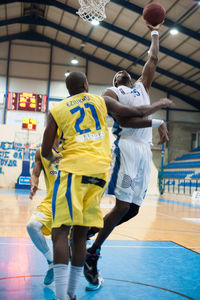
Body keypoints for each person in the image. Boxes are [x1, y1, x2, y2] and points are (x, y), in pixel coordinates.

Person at [41, 71, 173, 300]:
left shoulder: (58, 109)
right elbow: (131, 113)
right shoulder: (101, 99)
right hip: (100, 171)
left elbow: (45, 151)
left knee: (61, 231)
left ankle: (63, 295)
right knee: (83, 231)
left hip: (75, 169)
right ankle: (75, 285)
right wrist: (159, 107)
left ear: (68, 89)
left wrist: (56, 159)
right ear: (86, 84)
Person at [84, 22, 170, 287]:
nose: (121, 73)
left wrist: (155, 30)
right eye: (116, 74)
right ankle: (93, 253)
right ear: (115, 82)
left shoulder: (142, 86)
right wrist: (157, 122)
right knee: (121, 206)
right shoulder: (112, 92)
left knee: (132, 211)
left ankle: (89, 233)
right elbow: (124, 121)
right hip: (128, 149)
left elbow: (153, 57)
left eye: (125, 72)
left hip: (144, 154)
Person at [26, 135, 60, 285]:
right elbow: (35, 173)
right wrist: (34, 184)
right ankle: (51, 262)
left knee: (78, 246)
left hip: (73, 202)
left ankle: (93, 272)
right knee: (32, 226)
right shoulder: (42, 152)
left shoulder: (74, 149)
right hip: (51, 202)